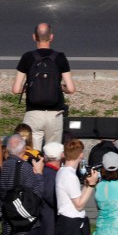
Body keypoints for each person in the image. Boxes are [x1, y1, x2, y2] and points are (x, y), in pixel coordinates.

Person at [13, 22, 76, 150]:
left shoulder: (27, 57)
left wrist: (29, 87)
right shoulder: (60, 57)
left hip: (33, 113)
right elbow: (71, 88)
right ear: (51, 37)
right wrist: (59, 87)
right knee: (53, 154)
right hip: (54, 114)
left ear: (34, 37)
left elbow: (16, 89)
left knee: (31, 154)